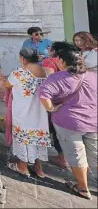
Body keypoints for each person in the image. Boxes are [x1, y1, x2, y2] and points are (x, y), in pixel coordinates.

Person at [40, 47, 97, 200]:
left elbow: (44, 96)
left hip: (68, 122)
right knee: (95, 154)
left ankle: (83, 188)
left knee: (76, 155)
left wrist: (51, 108)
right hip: (93, 120)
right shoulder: (93, 76)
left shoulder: (57, 77)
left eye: (59, 58)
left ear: (63, 61)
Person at [4, 48, 50, 178]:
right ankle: (38, 168)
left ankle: (22, 166)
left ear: (23, 59)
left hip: (23, 110)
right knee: (37, 136)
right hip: (39, 111)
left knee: (23, 136)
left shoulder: (19, 72)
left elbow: (7, 84)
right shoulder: (44, 72)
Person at [41, 41, 75, 170]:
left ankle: (62, 158)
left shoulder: (49, 62)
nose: (48, 49)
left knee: (56, 129)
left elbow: (48, 81)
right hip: (72, 98)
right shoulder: (73, 60)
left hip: (57, 99)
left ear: (55, 51)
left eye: (50, 48)